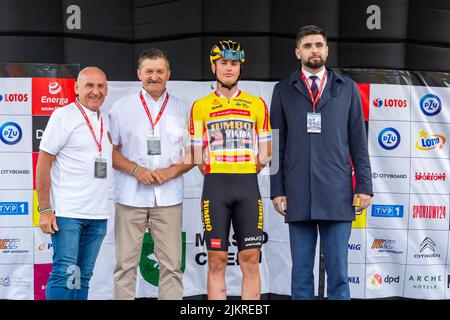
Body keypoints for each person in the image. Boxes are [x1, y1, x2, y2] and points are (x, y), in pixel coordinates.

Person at [270, 25, 373, 300]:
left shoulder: (348, 88)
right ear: (297, 52)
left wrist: (364, 185)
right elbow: (276, 142)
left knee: (339, 273)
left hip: (338, 193)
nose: (313, 50)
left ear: (326, 50)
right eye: (307, 46)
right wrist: (276, 189)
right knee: (301, 274)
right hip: (297, 192)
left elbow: (359, 143)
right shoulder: (282, 90)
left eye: (318, 45)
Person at [109, 48, 193, 300]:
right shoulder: (120, 108)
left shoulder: (183, 108)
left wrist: (172, 171)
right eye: (149, 71)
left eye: (159, 71)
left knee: (172, 267)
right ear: (139, 74)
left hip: (168, 198)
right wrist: (135, 169)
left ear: (168, 74)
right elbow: (108, 151)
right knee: (125, 265)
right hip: (130, 198)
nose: (154, 76)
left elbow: (196, 153)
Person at [190, 40, 272, 300]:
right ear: (213, 66)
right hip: (215, 186)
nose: (229, 68)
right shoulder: (200, 106)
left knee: (250, 258)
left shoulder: (257, 104)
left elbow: (267, 153)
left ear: (240, 68)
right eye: (223, 63)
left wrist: (245, 169)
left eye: (233, 63)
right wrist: (219, 171)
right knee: (216, 260)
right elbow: (195, 156)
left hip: (248, 185)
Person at [36, 67, 112, 300]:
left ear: (107, 90)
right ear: (77, 88)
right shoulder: (63, 115)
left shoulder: (105, 119)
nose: (95, 91)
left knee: (83, 276)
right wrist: (46, 209)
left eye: (100, 86)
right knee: (64, 274)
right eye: (89, 85)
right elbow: (44, 162)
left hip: (98, 215)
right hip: (68, 213)